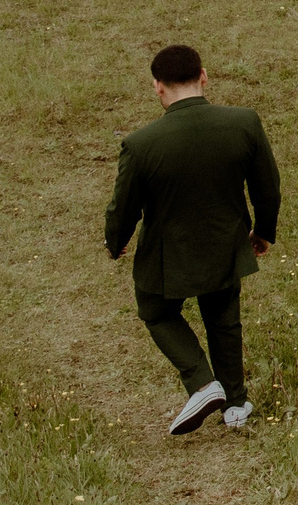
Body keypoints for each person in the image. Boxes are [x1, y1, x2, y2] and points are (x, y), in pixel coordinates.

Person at [105, 44, 281, 435]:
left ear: (158, 88)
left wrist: (115, 241)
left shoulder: (141, 144)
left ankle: (202, 384)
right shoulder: (244, 122)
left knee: (156, 310)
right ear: (204, 75)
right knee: (223, 319)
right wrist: (263, 232)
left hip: (167, 252)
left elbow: (124, 206)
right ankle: (235, 405)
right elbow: (268, 188)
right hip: (225, 241)